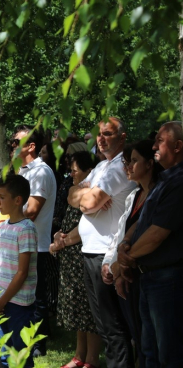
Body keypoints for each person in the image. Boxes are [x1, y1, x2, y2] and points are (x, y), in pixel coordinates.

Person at [68, 117, 136, 368]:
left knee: (114, 326)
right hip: (91, 253)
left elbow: (85, 203)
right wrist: (84, 194)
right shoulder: (100, 167)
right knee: (104, 324)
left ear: (122, 137)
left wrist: (85, 196)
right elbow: (72, 194)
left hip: (107, 255)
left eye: (107, 134)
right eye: (99, 134)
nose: (101, 139)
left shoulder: (120, 167)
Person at [117, 122, 183, 368]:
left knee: (168, 352)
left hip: (168, 278)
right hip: (149, 277)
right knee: (149, 350)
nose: (154, 146)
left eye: (160, 141)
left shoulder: (179, 182)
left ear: (178, 147)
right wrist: (125, 242)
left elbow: (158, 233)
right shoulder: (164, 181)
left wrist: (127, 257)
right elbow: (143, 221)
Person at [103, 140, 162, 368]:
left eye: (134, 161)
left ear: (149, 163)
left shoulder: (158, 193)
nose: (128, 167)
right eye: (127, 162)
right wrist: (114, 264)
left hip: (143, 272)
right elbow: (121, 233)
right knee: (139, 335)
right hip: (126, 273)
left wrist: (121, 266)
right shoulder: (134, 195)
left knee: (153, 341)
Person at [49, 151, 101, 368]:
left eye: (75, 170)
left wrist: (62, 242)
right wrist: (57, 236)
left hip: (83, 253)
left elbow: (85, 227)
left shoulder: (94, 194)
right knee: (77, 307)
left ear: (89, 170)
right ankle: (79, 355)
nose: (71, 174)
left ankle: (91, 359)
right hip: (70, 256)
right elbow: (69, 216)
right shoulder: (75, 189)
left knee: (88, 310)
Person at [12, 125, 57, 357]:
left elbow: (31, 211)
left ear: (31, 146)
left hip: (36, 244)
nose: (12, 145)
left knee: (36, 296)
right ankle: (28, 338)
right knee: (25, 295)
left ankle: (38, 345)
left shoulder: (40, 171)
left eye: (16, 141)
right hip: (22, 243)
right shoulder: (23, 171)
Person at [0, 173, 37, 368]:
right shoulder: (2, 227)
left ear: (18, 200)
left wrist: (3, 300)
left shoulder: (26, 228)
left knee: (20, 353)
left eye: (2, 197)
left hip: (18, 303)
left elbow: (22, 272)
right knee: (5, 351)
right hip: (2, 299)